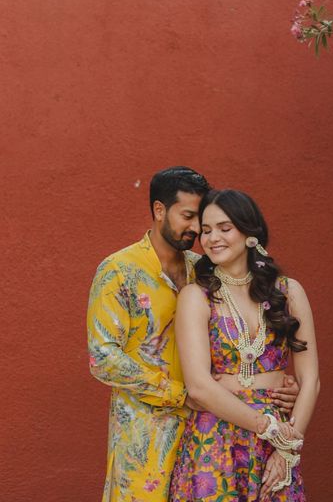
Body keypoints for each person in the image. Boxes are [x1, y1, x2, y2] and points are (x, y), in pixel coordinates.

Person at [87, 168, 299, 502]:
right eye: (187, 216)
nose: (196, 229)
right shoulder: (118, 271)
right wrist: (181, 394)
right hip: (146, 437)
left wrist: (276, 382)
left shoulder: (205, 268)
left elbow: (243, 335)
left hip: (212, 432)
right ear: (159, 211)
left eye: (198, 219)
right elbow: (102, 359)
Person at [170, 189, 320, 501]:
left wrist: (288, 449)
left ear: (250, 233)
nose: (212, 239)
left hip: (278, 443)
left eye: (225, 228)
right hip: (214, 439)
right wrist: (268, 427)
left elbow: (310, 381)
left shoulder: (288, 292)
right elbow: (198, 386)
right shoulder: (196, 297)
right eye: (207, 231)